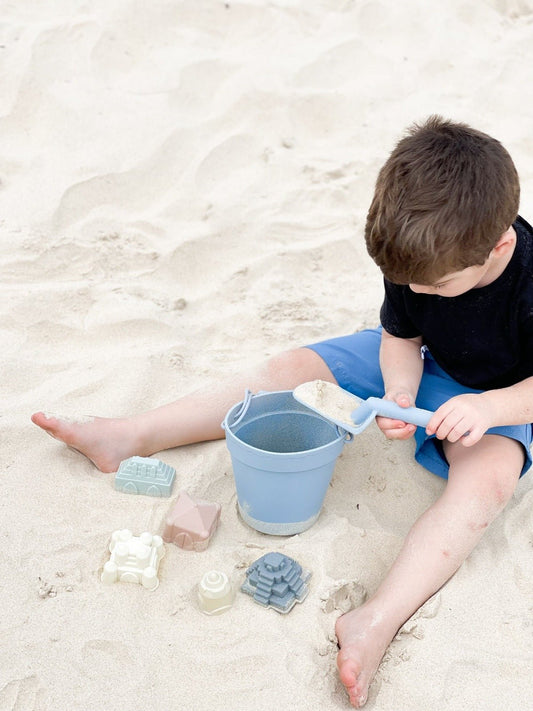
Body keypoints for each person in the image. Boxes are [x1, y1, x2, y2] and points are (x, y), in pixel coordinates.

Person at [31, 116, 533, 708]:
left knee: (486, 487)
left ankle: (375, 620)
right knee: (290, 369)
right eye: (408, 284)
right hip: (425, 362)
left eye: (439, 286)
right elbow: (399, 335)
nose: (419, 293)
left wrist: (489, 407)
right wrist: (401, 391)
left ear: (499, 245)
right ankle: (130, 434)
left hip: (507, 392)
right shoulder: (416, 257)